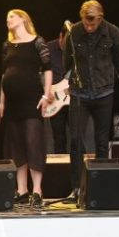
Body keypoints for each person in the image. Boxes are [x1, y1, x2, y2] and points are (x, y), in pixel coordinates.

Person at [63, 0, 119, 195]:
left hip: (104, 93)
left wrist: (109, 78)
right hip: (79, 94)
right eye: (86, 23)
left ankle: (100, 185)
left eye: (92, 23)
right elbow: (67, 60)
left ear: (100, 18)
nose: (89, 27)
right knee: (75, 139)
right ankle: (76, 186)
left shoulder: (113, 32)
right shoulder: (73, 32)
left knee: (101, 140)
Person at [0, 9, 53, 208]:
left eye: (11, 16)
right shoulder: (7, 45)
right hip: (12, 102)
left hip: (32, 99)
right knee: (16, 144)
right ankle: (22, 190)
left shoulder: (37, 41)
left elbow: (48, 68)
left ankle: (37, 190)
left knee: (33, 141)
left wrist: (46, 95)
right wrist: (1, 102)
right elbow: (5, 75)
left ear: (23, 18)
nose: (8, 20)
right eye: (6, 18)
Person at [45, 23, 71, 154]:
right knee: (59, 137)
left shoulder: (76, 51)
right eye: (66, 42)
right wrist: (46, 91)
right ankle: (60, 171)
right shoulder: (48, 48)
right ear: (60, 36)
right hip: (54, 99)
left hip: (73, 99)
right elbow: (39, 72)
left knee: (77, 137)